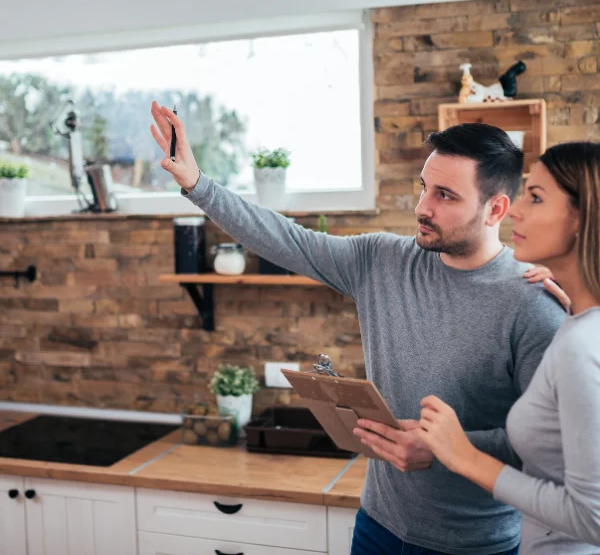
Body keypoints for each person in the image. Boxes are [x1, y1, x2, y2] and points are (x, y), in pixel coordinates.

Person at [150, 101, 566, 555]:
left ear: (495, 209)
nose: (421, 207)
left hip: (472, 545)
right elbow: (287, 240)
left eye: (445, 196)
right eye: (424, 188)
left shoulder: (533, 304)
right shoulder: (381, 260)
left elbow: (550, 444)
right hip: (377, 527)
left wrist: (447, 448)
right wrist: (197, 183)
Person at [416, 142, 600, 554]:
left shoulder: (582, 344)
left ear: (582, 219)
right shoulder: (577, 323)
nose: (514, 210)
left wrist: (464, 456)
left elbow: (594, 518)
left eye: (535, 198)